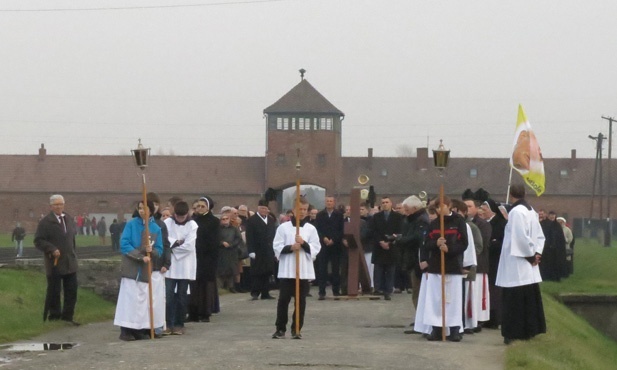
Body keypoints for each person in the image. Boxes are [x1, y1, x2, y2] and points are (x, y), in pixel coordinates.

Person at [496, 184, 546, 344]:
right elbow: (539, 236)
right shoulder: (531, 211)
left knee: (514, 301)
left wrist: (531, 256)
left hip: (517, 264)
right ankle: (528, 330)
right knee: (527, 299)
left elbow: (520, 237)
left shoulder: (517, 212)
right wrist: (537, 253)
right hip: (528, 263)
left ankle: (513, 333)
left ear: (511, 195)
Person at [416, 195, 468, 342]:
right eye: (437, 207)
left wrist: (449, 248)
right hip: (436, 266)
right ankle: (437, 329)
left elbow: (464, 243)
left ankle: (454, 329)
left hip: (452, 266)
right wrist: (436, 243)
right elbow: (426, 243)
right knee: (436, 299)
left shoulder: (458, 222)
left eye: (442, 206)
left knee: (452, 299)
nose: (440, 209)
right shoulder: (434, 224)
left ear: (449, 205)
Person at [114, 200, 164, 341]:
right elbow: (124, 244)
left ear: (151, 210)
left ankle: (140, 328)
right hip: (132, 268)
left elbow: (160, 249)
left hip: (145, 271)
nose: (142, 211)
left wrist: (152, 251)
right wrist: (139, 256)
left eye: (145, 208)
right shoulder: (131, 225)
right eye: (140, 208)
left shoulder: (155, 228)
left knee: (143, 301)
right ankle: (126, 330)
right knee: (129, 300)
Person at [272, 198, 321, 339]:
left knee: (300, 301)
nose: (302, 212)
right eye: (299, 209)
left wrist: (304, 244)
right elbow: (276, 246)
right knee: (283, 300)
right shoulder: (283, 228)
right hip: (288, 269)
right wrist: (290, 247)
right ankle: (280, 328)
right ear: (293, 210)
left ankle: (296, 329)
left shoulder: (311, 229)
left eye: (305, 209)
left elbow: (316, 247)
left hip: (303, 270)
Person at [34, 194, 79, 325]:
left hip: (70, 262)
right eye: (56, 204)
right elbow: (38, 241)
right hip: (54, 263)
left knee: (72, 291)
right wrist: (51, 249)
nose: (59, 207)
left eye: (61, 204)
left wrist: (73, 253)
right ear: (51, 206)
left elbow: (72, 239)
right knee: (54, 291)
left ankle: (68, 317)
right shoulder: (45, 222)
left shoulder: (69, 219)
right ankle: (54, 317)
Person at [164, 201, 198, 335]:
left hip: (185, 265)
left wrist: (173, 247)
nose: (180, 219)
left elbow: (189, 246)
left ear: (187, 214)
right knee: (169, 296)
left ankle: (179, 323)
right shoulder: (167, 223)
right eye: (178, 217)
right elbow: (166, 240)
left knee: (182, 296)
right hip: (171, 266)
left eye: (182, 217)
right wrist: (177, 242)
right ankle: (168, 323)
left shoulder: (192, 225)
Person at [396, 195, 429, 330]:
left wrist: (401, 240)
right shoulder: (413, 220)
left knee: (418, 292)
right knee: (416, 292)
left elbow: (416, 239)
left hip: (417, 261)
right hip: (412, 259)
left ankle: (421, 321)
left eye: (407, 209)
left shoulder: (421, 221)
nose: (405, 212)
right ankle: (419, 318)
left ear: (415, 208)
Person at [189, 196, 220, 323]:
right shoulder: (193, 220)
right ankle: (193, 312)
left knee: (206, 286)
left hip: (207, 258)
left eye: (203, 206)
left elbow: (214, 240)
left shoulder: (213, 221)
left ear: (208, 207)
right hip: (194, 256)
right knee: (193, 286)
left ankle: (205, 312)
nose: (200, 209)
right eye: (199, 206)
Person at [369, 196, 404, 300]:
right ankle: (378, 289)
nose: (385, 204)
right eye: (383, 202)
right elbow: (373, 231)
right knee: (378, 269)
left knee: (390, 270)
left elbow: (400, 231)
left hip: (391, 247)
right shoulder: (376, 217)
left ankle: (388, 291)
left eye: (387, 202)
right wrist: (381, 241)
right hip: (379, 246)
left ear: (391, 204)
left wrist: (389, 242)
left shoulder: (398, 217)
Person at [246, 199, 278, 300]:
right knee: (257, 272)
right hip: (257, 250)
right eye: (262, 208)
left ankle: (265, 293)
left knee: (267, 272)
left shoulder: (271, 220)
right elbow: (249, 236)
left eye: (265, 208)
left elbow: (274, 236)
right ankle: (255, 292)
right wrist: (251, 250)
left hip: (268, 250)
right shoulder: (252, 220)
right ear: (258, 208)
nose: (264, 210)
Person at [315, 196, 345, 300]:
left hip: (335, 245)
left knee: (336, 269)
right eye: (327, 201)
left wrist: (334, 239)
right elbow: (317, 229)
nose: (329, 203)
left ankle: (336, 291)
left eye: (331, 201)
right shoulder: (319, 215)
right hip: (323, 245)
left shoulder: (339, 215)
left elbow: (341, 230)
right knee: (322, 269)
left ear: (334, 203)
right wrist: (323, 238)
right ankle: (321, 292)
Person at [218, 210, 243, 292]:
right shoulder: (218, 229)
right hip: (221, 252)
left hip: (232, 251)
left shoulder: (234, 229)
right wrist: (222, 243)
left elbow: (238, 238)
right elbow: (215, 239)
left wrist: (231, 244)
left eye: (226, 219)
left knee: (232, 270)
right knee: (221, 270)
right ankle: (221, 287)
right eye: (223, 219)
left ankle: (231, 287)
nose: (225, 220)